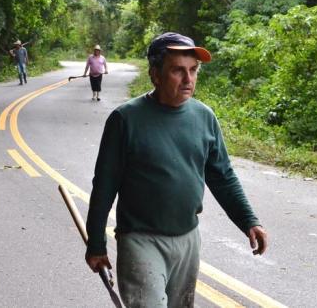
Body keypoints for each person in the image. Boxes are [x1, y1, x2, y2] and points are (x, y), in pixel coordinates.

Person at [84, 32, 267, 308]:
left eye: (193, 71)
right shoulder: (125, 120)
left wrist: (249, 220)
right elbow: (105, 185)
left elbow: (223, 176)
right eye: (178, 71)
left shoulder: (204, 117)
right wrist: (96, 242)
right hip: (140, 239)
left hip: (188, 240)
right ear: (155, 74)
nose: (188, 79)